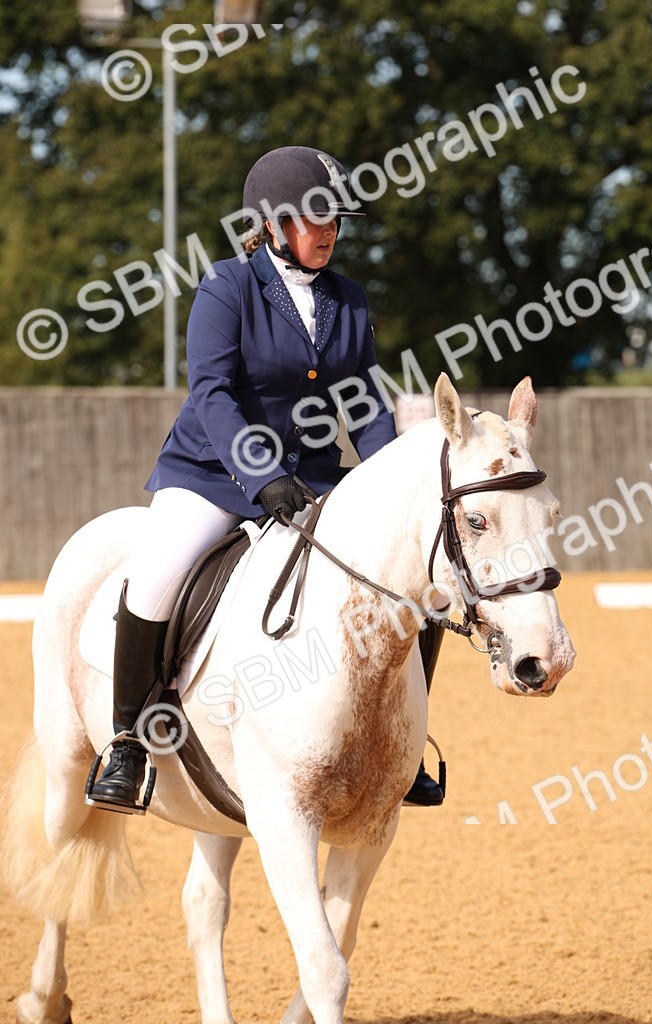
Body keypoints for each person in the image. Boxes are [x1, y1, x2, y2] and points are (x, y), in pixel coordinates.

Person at [87, 145, 444, 814]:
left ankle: (403, 742)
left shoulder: (348, 299)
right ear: (274, 224)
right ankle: (129, 741)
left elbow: (363, 401)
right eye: (316, 218)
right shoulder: (227, 287)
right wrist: (262, 476)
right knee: (159, 575)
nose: (329, 231)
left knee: (415, 582)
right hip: (214, 474)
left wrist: (393, 482)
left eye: (336, 219)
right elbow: (213, 394)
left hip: (310, 477)